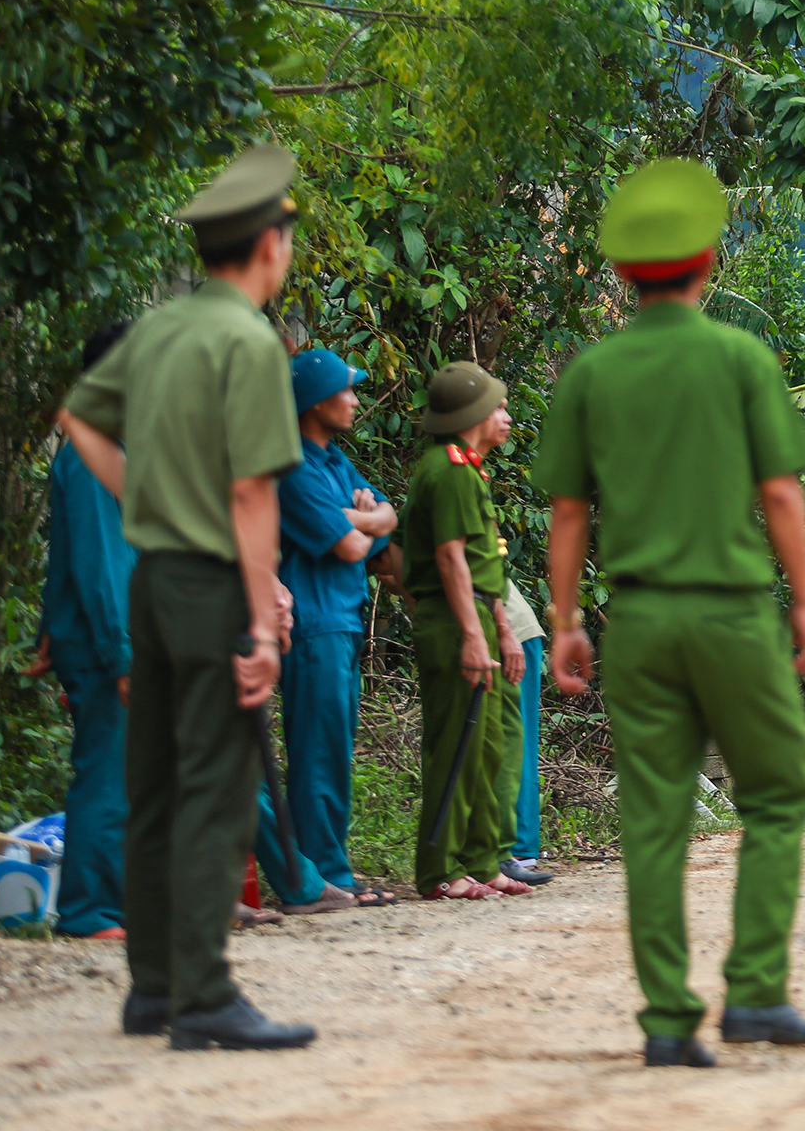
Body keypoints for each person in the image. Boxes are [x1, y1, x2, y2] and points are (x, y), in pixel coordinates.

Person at [536, 156, 805, 1068]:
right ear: (706, 260)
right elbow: (780, 494)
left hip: (641, 621)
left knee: (656, 818)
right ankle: (753, 994)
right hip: (734, 615)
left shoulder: (593, 372)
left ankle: (667, 1019)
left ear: (624, 274)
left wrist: (564, 622)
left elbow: (567, 512)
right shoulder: (738, 359)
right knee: (778, 794)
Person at [58, 142, 317, 1051]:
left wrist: (140, 494)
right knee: (218, 777)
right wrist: (262, 616)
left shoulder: (163, 328)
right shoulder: (245, 340)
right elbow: (252, 494)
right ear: (268, 244)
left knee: (157, 780)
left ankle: (154, 987)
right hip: (209, 582)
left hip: (151, 582)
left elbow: (78, 417)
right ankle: (205, 993)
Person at [249, 348, 399, 913]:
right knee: (316, 753)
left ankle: (332, 869)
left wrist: (364, 518)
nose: (357, 401)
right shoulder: (291, 464)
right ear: (315, 401)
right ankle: (321, 873)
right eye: (347, 390)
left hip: (342, 618)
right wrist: (364, 520)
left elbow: (386, 523)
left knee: (335, 750)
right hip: (312, 623)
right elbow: (353, 544)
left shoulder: (334, 461)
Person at [400, 361, 529, 902]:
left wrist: (499, 628)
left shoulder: (468, 469)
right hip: (453, 620)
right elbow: (452, 561)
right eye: (498, 407)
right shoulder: (448, 470)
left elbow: (482, 569)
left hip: (475, 614)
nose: (505, 416)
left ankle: (481, 858)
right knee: (456, 744)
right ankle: (438, 868)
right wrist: (473, 635)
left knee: (487, 745)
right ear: (473, 415)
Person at [28, 321, 137, 941]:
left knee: (124, 771)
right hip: (106, 646)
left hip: (97, 637)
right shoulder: (97, 455)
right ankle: (90, 910)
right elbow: (101, 565)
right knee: (106, 772)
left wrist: (50, 629)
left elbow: (64, 555)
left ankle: (114, 903)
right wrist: (124, 656)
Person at [495, 578, 552, 885]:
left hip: (511, 632)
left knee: (514, 739)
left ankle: (519, 845)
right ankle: (518, 843)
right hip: (506, 631)